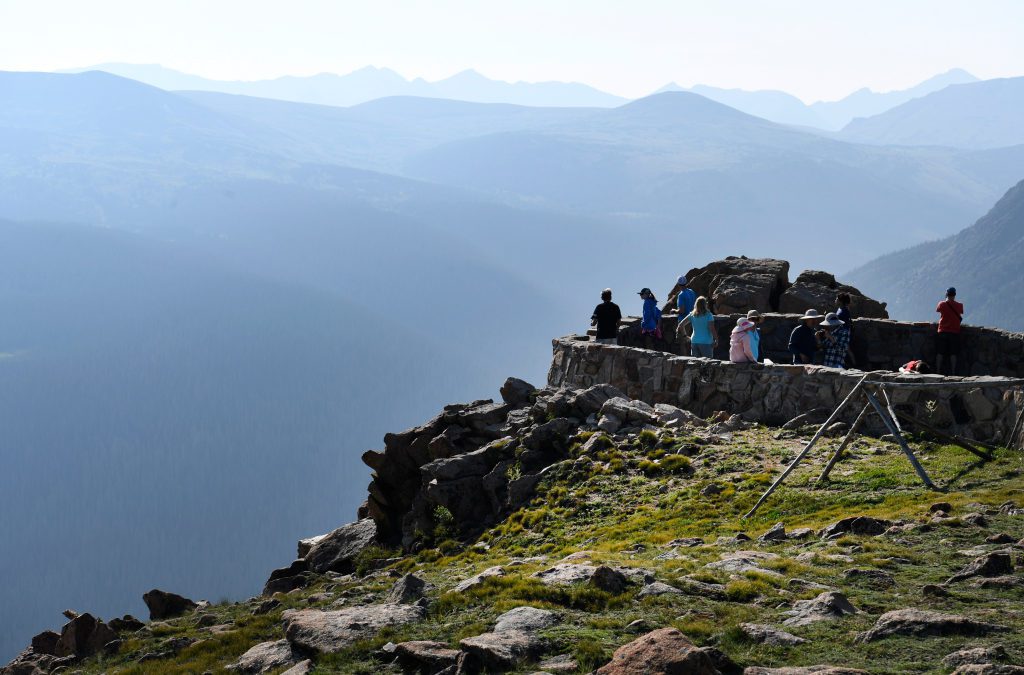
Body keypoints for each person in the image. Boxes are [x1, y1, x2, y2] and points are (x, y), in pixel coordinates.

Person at [936, 287, 964, 375]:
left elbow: (938, 310)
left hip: (942, 331)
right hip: (954, 332)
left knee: (940, 353)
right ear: (955, 295)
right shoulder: (960, 305)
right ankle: (953, 372)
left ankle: (938, 370)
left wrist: (946, 300)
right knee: (953, 353)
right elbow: (960, 312)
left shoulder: (941, 304)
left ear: (947, 294)